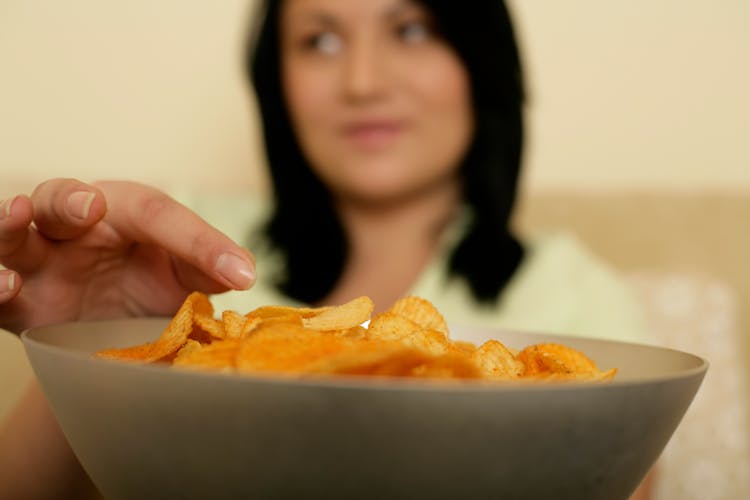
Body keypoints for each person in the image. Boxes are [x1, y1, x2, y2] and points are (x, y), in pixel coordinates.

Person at [0, 0, 650, 498]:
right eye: (321, 40)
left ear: (480, 58)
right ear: (276, 80)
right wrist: (90, 351)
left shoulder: (571, 291)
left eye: (412, 28)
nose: (363, 81)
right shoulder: (174, 249)